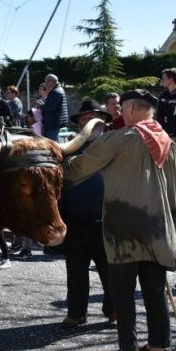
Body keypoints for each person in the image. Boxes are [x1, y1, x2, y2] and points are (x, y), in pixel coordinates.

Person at [64, 89, 176, 351]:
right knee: (155, 291)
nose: (120, 113)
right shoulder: (171, 145)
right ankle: (158, 349)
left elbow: (80, 167)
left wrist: (59, 163)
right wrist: (173, 231)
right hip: (160, 232)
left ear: (131, 110)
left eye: (122, 108)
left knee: (122, 293)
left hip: (125, 230)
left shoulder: (121, 139)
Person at [60, 100, 114, 328]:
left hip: (107, 221)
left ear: (103, 124)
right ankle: (76, 313)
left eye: (94, 120)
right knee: (75, 271)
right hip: (74, 220)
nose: (89, 124)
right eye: (84, 120)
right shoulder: (67, 149)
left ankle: (114, 311)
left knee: (111, 272)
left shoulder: (115, 147)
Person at [38, 74, 68, 141]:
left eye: (46, 82)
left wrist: (41, 105)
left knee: (53, 144)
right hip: (56, 122)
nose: (45, 84)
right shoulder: (59, 90)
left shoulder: (55, 92)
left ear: (51, 81)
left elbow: (50, 108)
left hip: (53, 123)